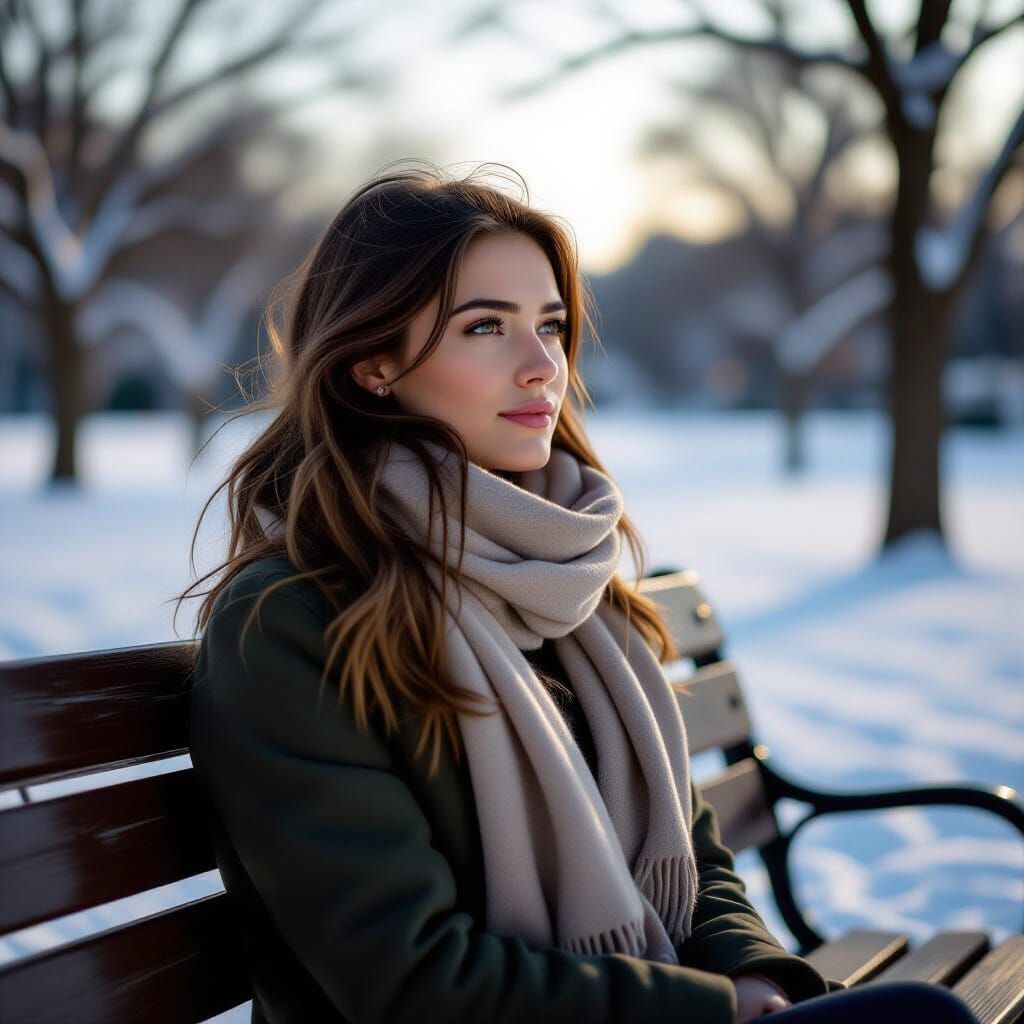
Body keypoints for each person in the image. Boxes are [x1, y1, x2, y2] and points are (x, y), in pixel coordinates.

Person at [180, 162, 980, 1024]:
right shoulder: (295, 621)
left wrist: (756, 974)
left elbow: (693, 854)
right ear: (372, 363)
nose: (541, 366)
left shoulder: (567, 582)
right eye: (485, 327)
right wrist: (713, 1009)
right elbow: (409, 983)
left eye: (551, 325)